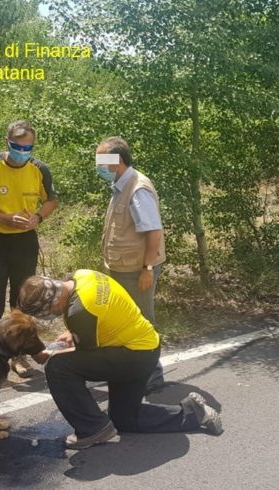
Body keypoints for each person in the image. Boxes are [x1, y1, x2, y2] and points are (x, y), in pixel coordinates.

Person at [18, 270, 222, 450]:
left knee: (57, 367)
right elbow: (100, 316)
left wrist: (48, 354)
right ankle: (193, 413)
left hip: (132, 356)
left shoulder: (79, 313)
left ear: (53, 301)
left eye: (48, 313)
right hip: (144, 347)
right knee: (124, 418)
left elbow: (84, 352)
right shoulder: (82, 276)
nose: (50, 317)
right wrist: (75, 333)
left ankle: (93, 430)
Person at [0, 120, 57, 377]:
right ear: (7, 142)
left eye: (28, 148)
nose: (23, 152)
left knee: (23, 302)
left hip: (25, 242)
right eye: (18, 146)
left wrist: (39, 217)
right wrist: (2, 218)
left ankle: (18, 357)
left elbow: (51, 200)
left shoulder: (39, 169)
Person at [96, 137, 165, 390]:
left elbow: (153, 232)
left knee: (142, 321)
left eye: (102, 160)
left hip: (137, 269)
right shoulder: (120, 184)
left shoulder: (137, 188)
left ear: (118, 161)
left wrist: (147, 269)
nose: (98, 166)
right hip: (125, 267)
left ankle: (152, 375)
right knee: (125, 320)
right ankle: (133, 371)